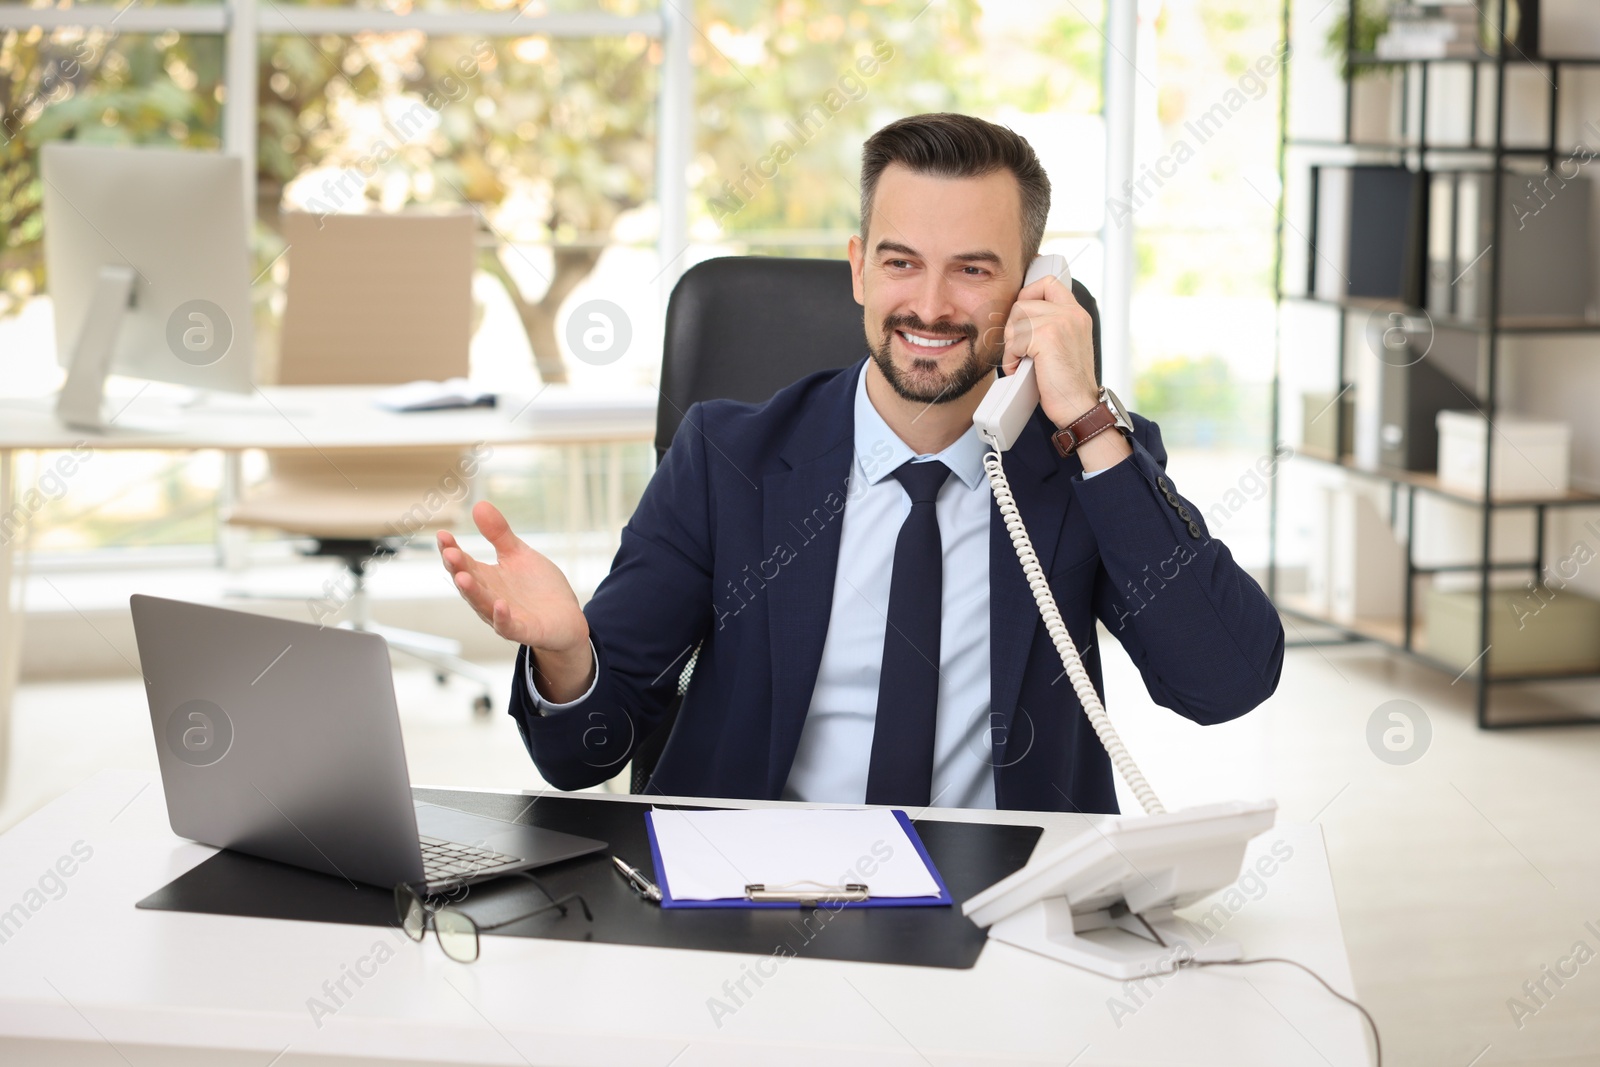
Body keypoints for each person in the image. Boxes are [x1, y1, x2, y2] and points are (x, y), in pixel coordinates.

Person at [438, 112, 1284, 812]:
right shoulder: (726, 459)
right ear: (858, 269)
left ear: (1032, 285)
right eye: (901, 262)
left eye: (973, 271)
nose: (928, 304)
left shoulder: (1085, 464)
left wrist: (1089, 422)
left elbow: (1226, 683)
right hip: (754, 899)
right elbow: (584, 754)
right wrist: (565, 655)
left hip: (1007, 909)